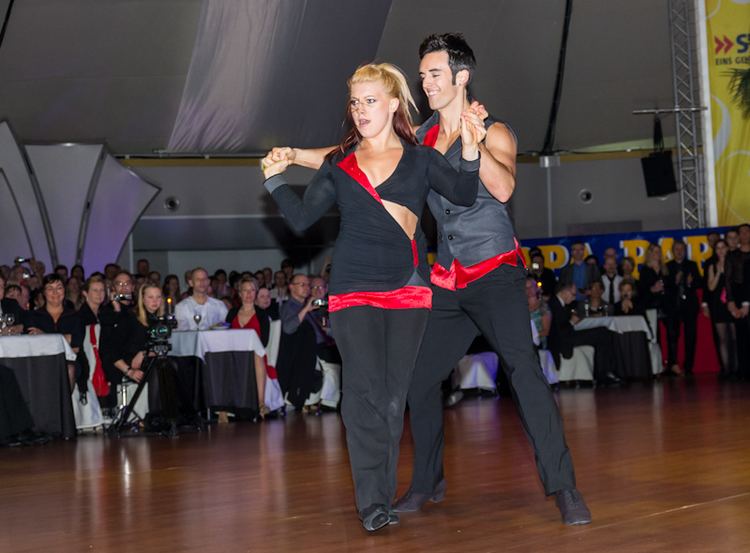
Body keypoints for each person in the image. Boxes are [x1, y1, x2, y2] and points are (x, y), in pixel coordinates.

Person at [275, 34, 589, 526]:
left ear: (462, 77)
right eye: (421, 74)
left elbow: (503, 187)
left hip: (495, 272)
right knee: (418, 380)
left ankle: (564, 487)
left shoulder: (496, 129)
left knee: (523, 371)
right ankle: (427, 481)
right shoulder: (418, 139)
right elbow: (354, 159)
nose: (426, 81)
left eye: (435, 73)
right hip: (446, 279)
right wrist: (295, 154)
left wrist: (474, 139)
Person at [261, 61, 482, 532]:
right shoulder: (340, 164)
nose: (360, 110)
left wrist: (470, 147)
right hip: (352, 291)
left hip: (407, 290)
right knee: (361, 398)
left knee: (390, 400)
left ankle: (381, 493)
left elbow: (463, 194)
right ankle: (373, 504)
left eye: (370, 101)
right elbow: (301, 220)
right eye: (355, 102)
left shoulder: (421, 158)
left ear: (393, 104)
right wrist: (275, 180)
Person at [548, 282, 620, 385]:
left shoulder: (560, 303)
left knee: (603, 332)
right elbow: (559, 331)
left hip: (568, 336)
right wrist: (572, 322)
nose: (574, 298)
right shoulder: (554, 304)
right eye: (573, 295)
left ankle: (603, 373)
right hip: (564, 340)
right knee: (603, 334)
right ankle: (604, 374)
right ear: (564, 292)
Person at [25, 274, 84, 388]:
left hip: (68, 360)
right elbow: (32, 343)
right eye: (50, 288)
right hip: (41, 360)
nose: (55, 292)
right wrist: (65, 338)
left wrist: (44, 336)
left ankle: (64, 405)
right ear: (44, 292)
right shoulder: (33, 316)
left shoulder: (75, 316)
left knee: (69, 369)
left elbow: (76, 344)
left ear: (64, 290)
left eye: (59, 287)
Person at [225, 277, 270, 418]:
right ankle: (223, 408)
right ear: (239, 293)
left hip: (255, 354)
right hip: (234, 353)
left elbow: (264, 341)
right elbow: (225, 336)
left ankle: (261, 402)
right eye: (245, 290)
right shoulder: (232, 313)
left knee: (257, 355)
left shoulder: (261, 314)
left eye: (252, 290)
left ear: (256, 293)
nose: (249, 294)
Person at [664, 240, 701, 376]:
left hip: (689, 306)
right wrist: (675, 281)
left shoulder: (692, 265)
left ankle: (688, 367)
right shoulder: (668, 266)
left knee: (690, 337)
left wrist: (691, 283)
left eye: (681, 249)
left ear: (685, 251)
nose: (679, 252)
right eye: (676, 249)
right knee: (672, 336)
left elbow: (699, 283)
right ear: (672, 252)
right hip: (674, 306)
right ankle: (673, 365)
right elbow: (666, 288)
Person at [705, 239, 738, 379]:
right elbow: (711, 287)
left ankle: (737, 369)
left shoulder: (735, 263)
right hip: (718, 305)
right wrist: (718, 272)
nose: (720, 250)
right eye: (717, 248)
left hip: (732, 303)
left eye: (723, 247)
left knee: (735, 338)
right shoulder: (712, 266)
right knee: (723, 339)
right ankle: (726, 369)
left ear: (727, 248)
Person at [725, 224, 750, 380]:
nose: (745, 234)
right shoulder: (733, 256)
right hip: (740, 296)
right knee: (742, 334)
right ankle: (745, 370)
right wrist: (731, 301)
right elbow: (728, 280)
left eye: (748, 231)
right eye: (741, 232)